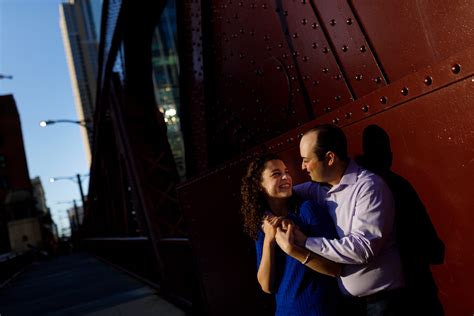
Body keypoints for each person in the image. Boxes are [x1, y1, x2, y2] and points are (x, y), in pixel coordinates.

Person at [286, 124, 405, 316]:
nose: (302, 167)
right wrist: (265, 214)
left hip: (382, 303)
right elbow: (282, 196)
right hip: (349, 305)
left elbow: (363, 249)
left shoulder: (368, 187)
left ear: (330, 158)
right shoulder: (317, 189)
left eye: (306, 160)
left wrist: (305, 242)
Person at [356, 124, 445, 315]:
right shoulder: (396, 183)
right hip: (413, 277)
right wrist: (435, 249)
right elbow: (420, 223)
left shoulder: (357, 187)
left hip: (380, 286)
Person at [240, 153, 341, 316]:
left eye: (286, 172)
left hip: (319, 310)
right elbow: (266, 287)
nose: (286, 177)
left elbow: (335, 268)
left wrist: (292, 249)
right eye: (276, 174)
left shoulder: (308, 210)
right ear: (259, 185)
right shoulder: (264, 226)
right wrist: (269, 241)